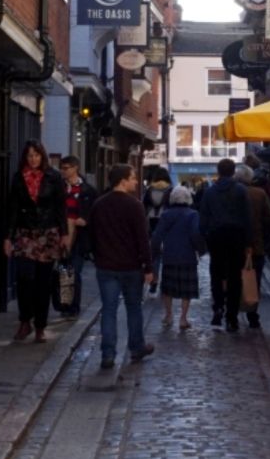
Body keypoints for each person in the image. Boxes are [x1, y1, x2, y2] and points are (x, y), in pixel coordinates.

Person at [86, 165, 155, 371]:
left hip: (106, 266)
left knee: (109, 310)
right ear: (123, 181)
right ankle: (136, 347)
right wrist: (148, 266)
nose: (136, 181)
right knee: (133, 308)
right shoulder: (134, 205)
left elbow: (92, 235)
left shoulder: (99, 204)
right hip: (131, 266)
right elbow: (143, 239)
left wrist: (97, 256)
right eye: (133, 178)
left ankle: (108, 354)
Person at [3, 141, 68, 344]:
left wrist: (64, 233)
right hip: (25, 233)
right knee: (24, 279)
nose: (33, 159)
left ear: (42, 156)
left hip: (48, 233)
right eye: (30, 155)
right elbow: (12, 209)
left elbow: (61, 207)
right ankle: (25, 321)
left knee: (43, 282)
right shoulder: (18, 178)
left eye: (37, 155)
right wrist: (8, 237)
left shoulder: (53, 177)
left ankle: (40, 325)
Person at [200, 158, 252, 331]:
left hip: (216, 236)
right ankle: (232, 317)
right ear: (233, 172)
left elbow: (203, 216)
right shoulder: (241, 190)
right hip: (236, 236)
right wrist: (248, 241)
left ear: (218, 171)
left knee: (216, 273)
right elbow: (247, 217)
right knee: (235, 276)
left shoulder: (210, 192)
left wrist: (204, 236)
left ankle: (218, 306)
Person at [152, 183, 203, 330]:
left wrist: (154, 252)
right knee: (187, 289)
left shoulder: (166, 214)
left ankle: (168, 315)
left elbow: (157, 235)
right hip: (188, 255)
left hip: (170, 255)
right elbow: (195, 234)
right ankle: (183, 318)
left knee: (168, 288)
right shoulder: (193, 214)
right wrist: (200, 249)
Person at [237, 162, 270, 331]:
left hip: (233, 245)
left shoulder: (230, 193)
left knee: (234, 279)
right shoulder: (259, 193)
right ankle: (252, 314)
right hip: (256, 245)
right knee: (254, 280)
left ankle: (232, 315)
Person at [57, 156, 94, 317]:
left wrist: (85, 219)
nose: (64, 171)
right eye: (62, 168)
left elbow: (94, 211)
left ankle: (73, 307)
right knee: (65, 271)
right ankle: (65, 306)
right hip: (61, 235)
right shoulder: (59, 188)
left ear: (76, 168)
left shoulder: (87, 190)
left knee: (75, 271)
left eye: (67, 168)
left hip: (79, 236)